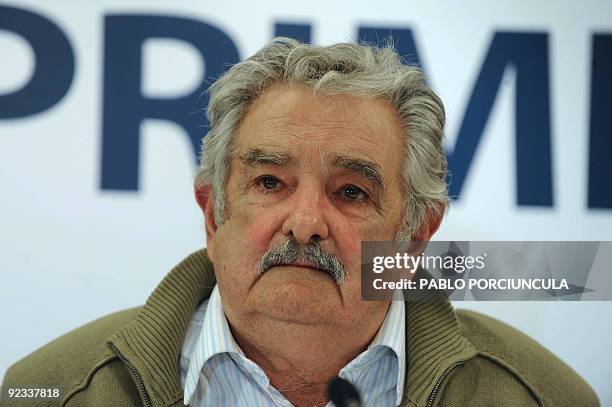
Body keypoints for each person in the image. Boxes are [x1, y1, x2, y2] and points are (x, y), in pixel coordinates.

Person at [2, 38, 599, 407]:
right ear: (213, 214)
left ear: (414, 237)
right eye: (269, 183)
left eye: (351, 191)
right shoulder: (52, 390)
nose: (307, 223)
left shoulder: (542, 397)